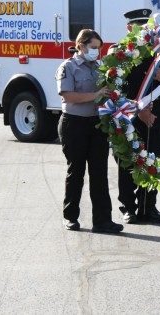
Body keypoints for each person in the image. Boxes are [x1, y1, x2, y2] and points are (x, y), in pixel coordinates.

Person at [56, 29, 123, 233]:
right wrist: (95, 95)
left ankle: (102, 221)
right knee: (76, 172)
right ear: (81, 46)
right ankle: (70, 217)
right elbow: (67, 95)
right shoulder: (68, 67)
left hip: (96, 125)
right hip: (74, 124)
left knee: (99, 174)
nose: (96, 52)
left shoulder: (99, 67)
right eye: (93, 48)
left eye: (99, 49)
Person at [117, 9, 160, 224]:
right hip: (130, 117)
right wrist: (140, 111)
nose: (145, 30)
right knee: (128, 163)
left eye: (147, 26)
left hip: (157, 114)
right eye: (140, 26)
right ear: (130, 28)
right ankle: (129, 207)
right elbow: (116, 90)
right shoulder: (120, 53)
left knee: (152, 162)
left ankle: (149, 206)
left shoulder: (158, 53)